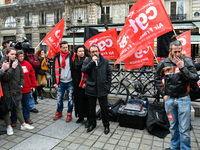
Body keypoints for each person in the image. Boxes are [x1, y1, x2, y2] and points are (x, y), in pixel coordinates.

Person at [155, 40, 199, 150]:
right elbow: (157, 79)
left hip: (184, 99)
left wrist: (183, 68)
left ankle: (185, 148)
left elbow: (194, 79)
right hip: (169, 100)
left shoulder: (187, 61)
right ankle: (174, 147)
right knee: (173, 127)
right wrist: (163, 94)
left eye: (179, 51)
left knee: (184, 129)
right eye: (175, 52)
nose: (177, 54)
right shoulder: (164, 63)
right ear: (170, 51)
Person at [0, 47, 34, 135]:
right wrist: (12, 68)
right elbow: (5, 77)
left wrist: (21, 84)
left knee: (18, 108)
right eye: (12, 54)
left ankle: (23, 124)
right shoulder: (3, 63)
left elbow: (21, 75)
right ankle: (8, 126)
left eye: (15, 54)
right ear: (6, 54)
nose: (14, 56)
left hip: (17, 90)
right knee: (6, 109)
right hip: (6, 90)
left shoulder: (16, 62)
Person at [81, 45, 111, 135]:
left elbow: (109, 74)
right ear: (90, 53)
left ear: (99, 51)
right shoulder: (87, 60)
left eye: (96, 51)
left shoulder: (105, 61)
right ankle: (92, 124)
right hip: (91, 88)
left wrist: (108, 86)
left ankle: (106, 125)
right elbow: (84, 70)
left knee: (104, 108)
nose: (95, 53)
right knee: (91, 108)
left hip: (102, 88)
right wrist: (92, 62)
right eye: (93, 52)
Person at [11, 50, 37, 125]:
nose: (22, 58)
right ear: (17, 56)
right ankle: (14, 120)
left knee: (26, 104)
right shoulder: (14, 64)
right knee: (15, 105)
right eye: (20, 56)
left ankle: (27, 118)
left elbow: (32, 75)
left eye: (23, 56)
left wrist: (33, 85)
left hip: (26, 88)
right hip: (16, 89)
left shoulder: (27, 64)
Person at [52, 41, 74, 122]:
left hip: (70, 81)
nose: (65, 49)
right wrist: (54, 82)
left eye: (67, 47)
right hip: (60, 81)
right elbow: (54, 70)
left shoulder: (72, 55)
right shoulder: (57, 57)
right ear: (60, 48)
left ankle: (69, 114)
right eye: (64, 47)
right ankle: (59, 112)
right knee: (59, 98)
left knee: (70, 99)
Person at [73, 45, 89, 127]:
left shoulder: (87, 60)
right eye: (80, 51)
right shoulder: (74, 60)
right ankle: (80, 116)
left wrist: (86, 83)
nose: (81, 52)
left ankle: (88, 118)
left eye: (83, 51)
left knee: (85, 101)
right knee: (77, 100)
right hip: (76, 83)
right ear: (76, 52)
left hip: (84, 83)